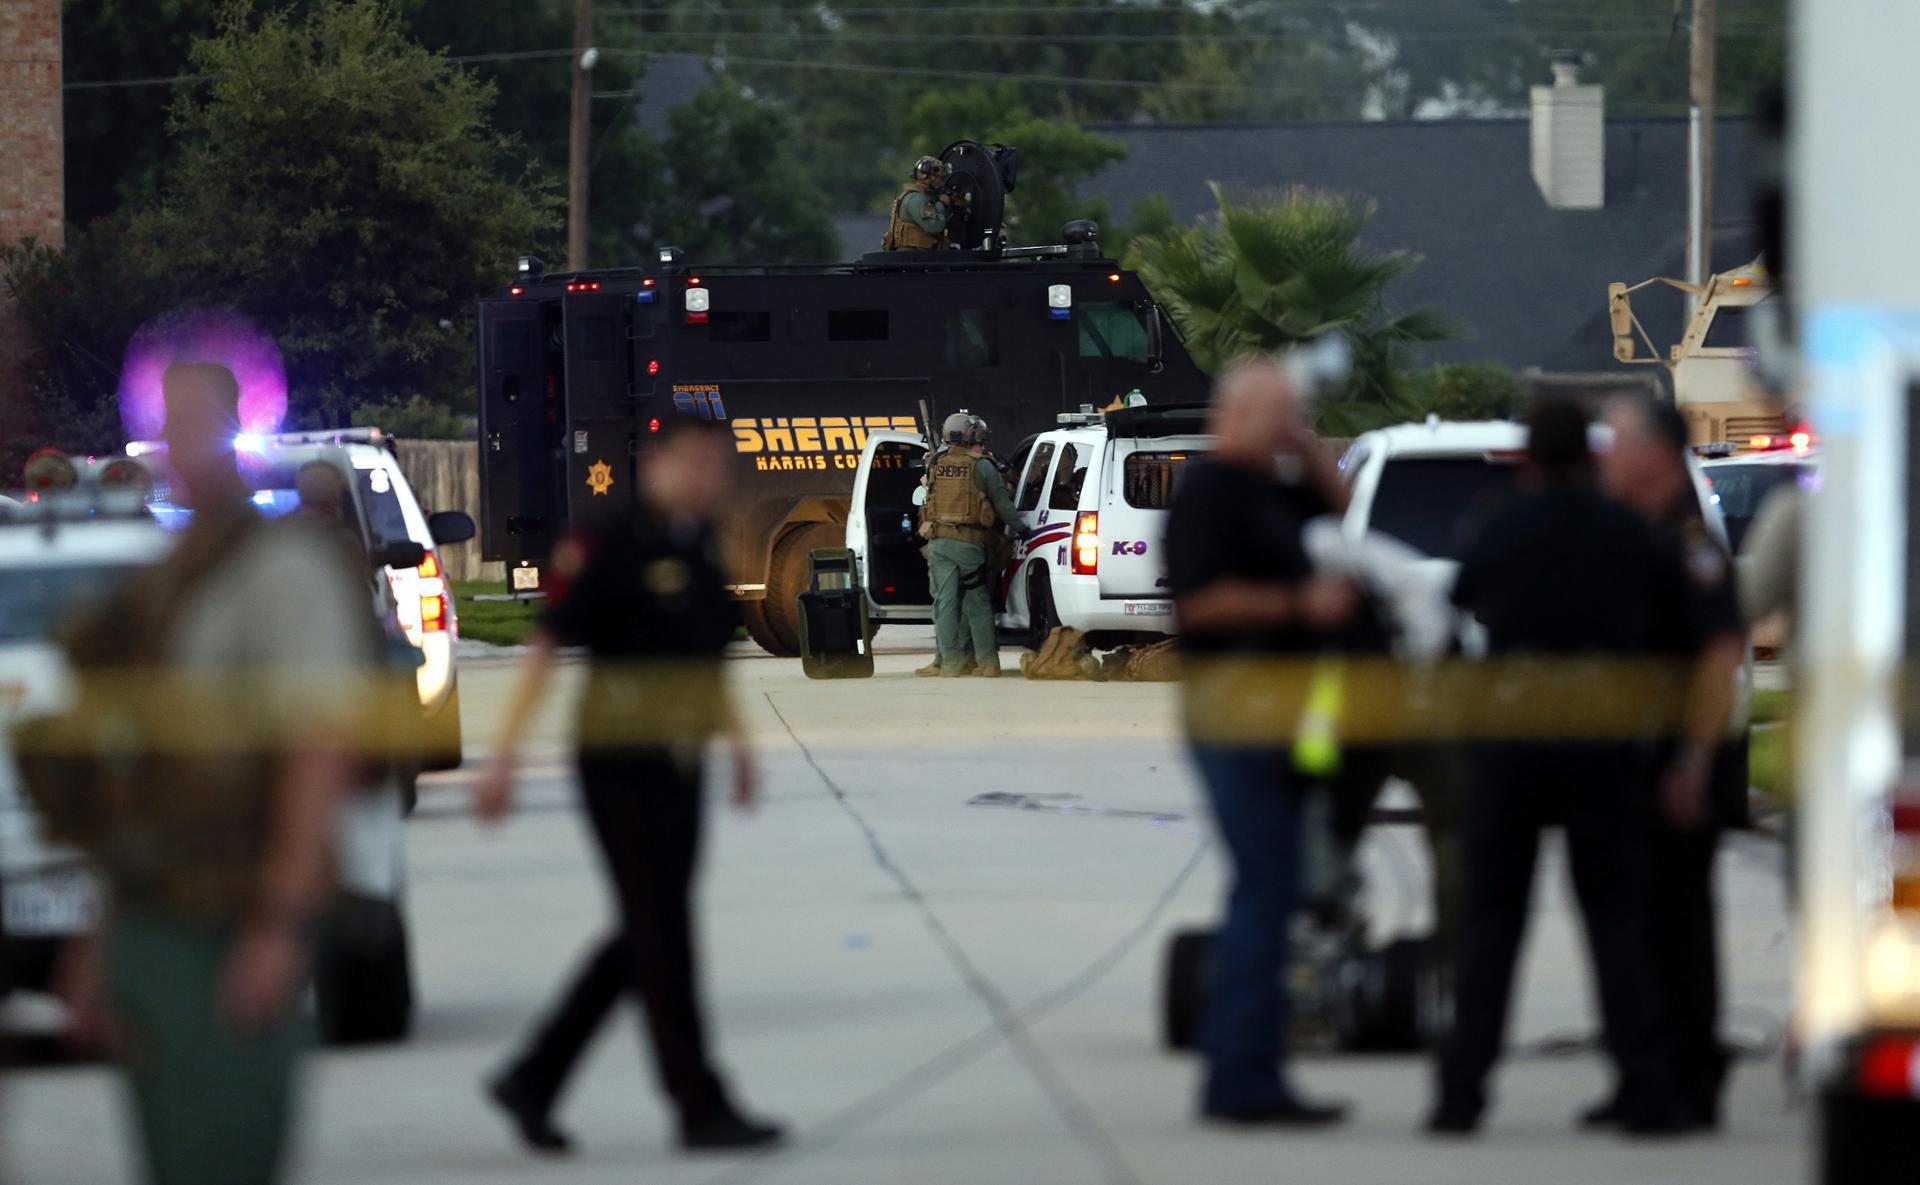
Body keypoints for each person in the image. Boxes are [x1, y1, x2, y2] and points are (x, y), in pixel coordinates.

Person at [38, 362, 369, 1185]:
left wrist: (280, 924)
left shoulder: (282, 567)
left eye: (200, 421)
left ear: (236, 430)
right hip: (152, 919)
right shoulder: (165, 578)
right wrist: (99, 941)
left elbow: (316, 749)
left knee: (222, 1151)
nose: (183, 440)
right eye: (170, 421)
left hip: (229, 915)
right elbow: (137, 783)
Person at [475, 415, 785, 1156]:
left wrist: (739, 746)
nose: (713, 481)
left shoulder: (699, 543)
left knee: (648, 930)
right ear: (658, 464)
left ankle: (533, 1076)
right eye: (699, 465)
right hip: (617, 762)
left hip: (680, 760)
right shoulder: (609, 540)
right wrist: (503, 756)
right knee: (662, 936)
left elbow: (703, 661)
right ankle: (698, 1102)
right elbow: (546, 644)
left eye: (721, 468)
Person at [1430, 395, 1687, 1136]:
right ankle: (1645, 1087)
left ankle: (1461, 1093)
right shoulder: (1627, 531)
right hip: (1601, 739)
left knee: (1491, 922)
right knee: (1615, 919)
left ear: (1531, 457)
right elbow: (1664, 615)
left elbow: (1462, 594)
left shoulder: (1501, 523)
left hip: (1511, 740)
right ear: (1592, 454)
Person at [1164, 355, 1355, 1126]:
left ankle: (1244, 1063)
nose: (1286, 426)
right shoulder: (1208, 492)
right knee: (1266, 887)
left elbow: (1343, 510)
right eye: (1274, 413)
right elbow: (1200, 603)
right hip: (1231, 711)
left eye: (1293, 412)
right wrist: (1297, 604)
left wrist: (1305, 443)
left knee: (1270, 890)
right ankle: (1242, 1077)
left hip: (1284, 715)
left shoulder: (1273, 487)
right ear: (1236, 414)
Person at [1594, 392, 1747, 1131]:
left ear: (1653, 454)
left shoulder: (1689, 544)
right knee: (1641, 928)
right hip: (1634, 762)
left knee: (1678, 926)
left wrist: (1691, 761)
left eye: (1617, 442)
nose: (1605, 458)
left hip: (1677, 767)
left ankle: (1690, 1080)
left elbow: (1721, 654)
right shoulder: (1636, 534)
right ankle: (1643, 1079)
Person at [921, 411, 1020, 677]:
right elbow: (1003, 505)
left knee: (945, 605)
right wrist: (1023, 529)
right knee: (977, 603)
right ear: (972, 436)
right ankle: (988, 662)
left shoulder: (935, 463)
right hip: (970, 546)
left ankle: (950, 664)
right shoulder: (982, 466)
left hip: (939, 545)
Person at [881, 156, 953, 251]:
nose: (942, 182)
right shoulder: (917, 199)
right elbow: (934, 227)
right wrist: (941, 205)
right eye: (940, 178)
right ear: (930, 177)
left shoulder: (914, 197)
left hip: (914, 258)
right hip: (914, 258)